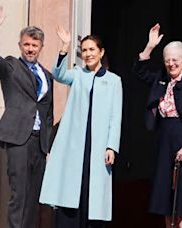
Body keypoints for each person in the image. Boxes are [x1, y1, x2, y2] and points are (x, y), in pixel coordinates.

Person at [39, 26, 123, 228]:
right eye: (84, 50)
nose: (88, 54)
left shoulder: (114, 81)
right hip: (75, 145)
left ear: (101, 52)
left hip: (99, 146)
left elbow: (115, 116)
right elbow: (58, 74)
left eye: (92, 49)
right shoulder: (77, 74)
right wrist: (64, 47)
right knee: (71, 191)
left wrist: (112, 146)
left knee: (92, 194)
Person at [0, 4, 53, 228]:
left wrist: (48, 146)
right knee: (18, 197)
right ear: (20, 45)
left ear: (41, 46)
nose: (30, 49)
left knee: (33, 200)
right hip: (18, 140)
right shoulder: (11, 66)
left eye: (34, 45)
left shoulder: (47, 75)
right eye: (26, 44)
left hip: (39, 144)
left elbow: (48, 113)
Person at [132, 23, 182, 228]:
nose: (171, 64)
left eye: (175, 60)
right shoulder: (161, 79)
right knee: (165, 202)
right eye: (167, 60)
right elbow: (138, 70)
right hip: (164, 140)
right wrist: (149, 47)